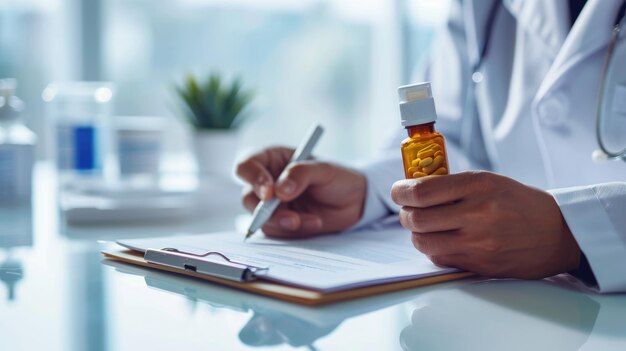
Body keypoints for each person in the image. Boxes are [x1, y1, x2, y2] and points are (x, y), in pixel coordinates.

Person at [236, 0, 626, 292]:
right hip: (519, 302)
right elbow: (450, 139)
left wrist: (573, 232)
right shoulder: (481, 8)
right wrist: (366, 190)